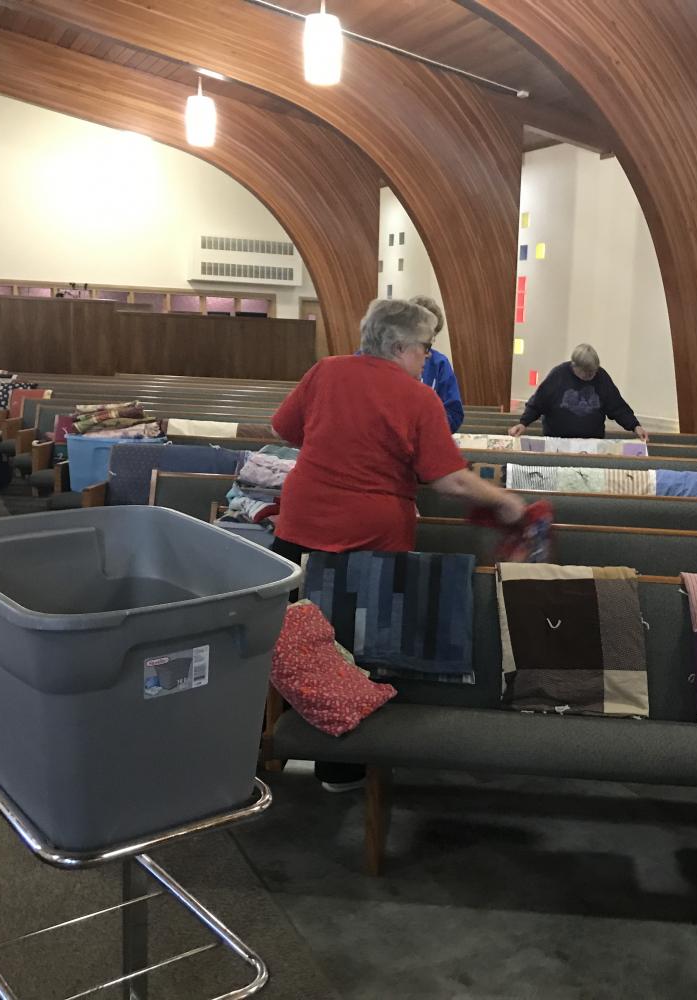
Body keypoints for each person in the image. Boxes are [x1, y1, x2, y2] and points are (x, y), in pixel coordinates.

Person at [271, 298, 525, 791]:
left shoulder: (326, 371)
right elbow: (450, 480)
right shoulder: (417, 398)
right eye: (425, 347)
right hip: (369, 540)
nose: (428, 356)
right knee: (353, 650)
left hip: (301, 527)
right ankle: (341, 768)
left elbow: (284, 430)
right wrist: (506, 503)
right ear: (399, 346)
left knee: (294, 644)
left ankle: (285, 742)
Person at [508, 344, 649, 442]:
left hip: (592, 443)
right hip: (557, 442)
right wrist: (523, 423)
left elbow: (617, 407)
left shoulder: (601, 377)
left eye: (594, 371)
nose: (591, 375)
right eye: (587, 372)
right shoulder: (558, 375)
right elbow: (538, 403)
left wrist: (635, 426)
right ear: (574, 366)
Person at [408, 295, 464, 433]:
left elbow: (454, 413)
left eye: (431, 338)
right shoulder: (379, 358)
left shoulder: (439, 364)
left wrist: (426, 425)